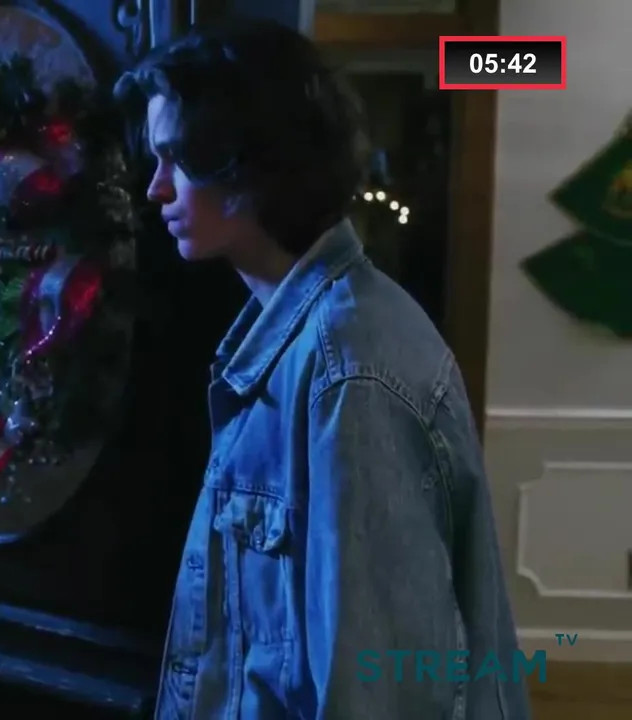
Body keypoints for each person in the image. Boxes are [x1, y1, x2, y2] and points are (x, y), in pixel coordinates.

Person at [115, 19, 530, 719]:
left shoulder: (349, 370)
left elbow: (382, 692)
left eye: (176, 158)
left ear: (251, 161)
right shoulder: (294, 338)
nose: (156, 187)